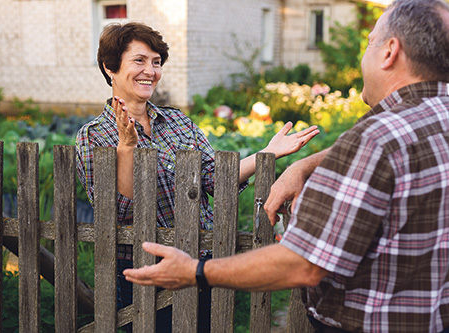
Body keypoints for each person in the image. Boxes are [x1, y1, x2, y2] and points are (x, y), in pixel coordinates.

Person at [123, 1, 449, 332]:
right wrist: (303, 166)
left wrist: (196, 272)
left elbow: (303, 264)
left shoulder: (376, 139)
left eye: (369, 42)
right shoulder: (430, 117)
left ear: (389, 51)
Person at [76, 22, 319, 332]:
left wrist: (266, 153)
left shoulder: (177, 121)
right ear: (110, 67)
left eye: (156, 62)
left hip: (198, 261)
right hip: (144, 267)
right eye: (139, 60)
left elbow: (212, 178)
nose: (150, 71)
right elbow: (119, 211)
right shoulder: (94, 135)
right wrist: (126, 147)